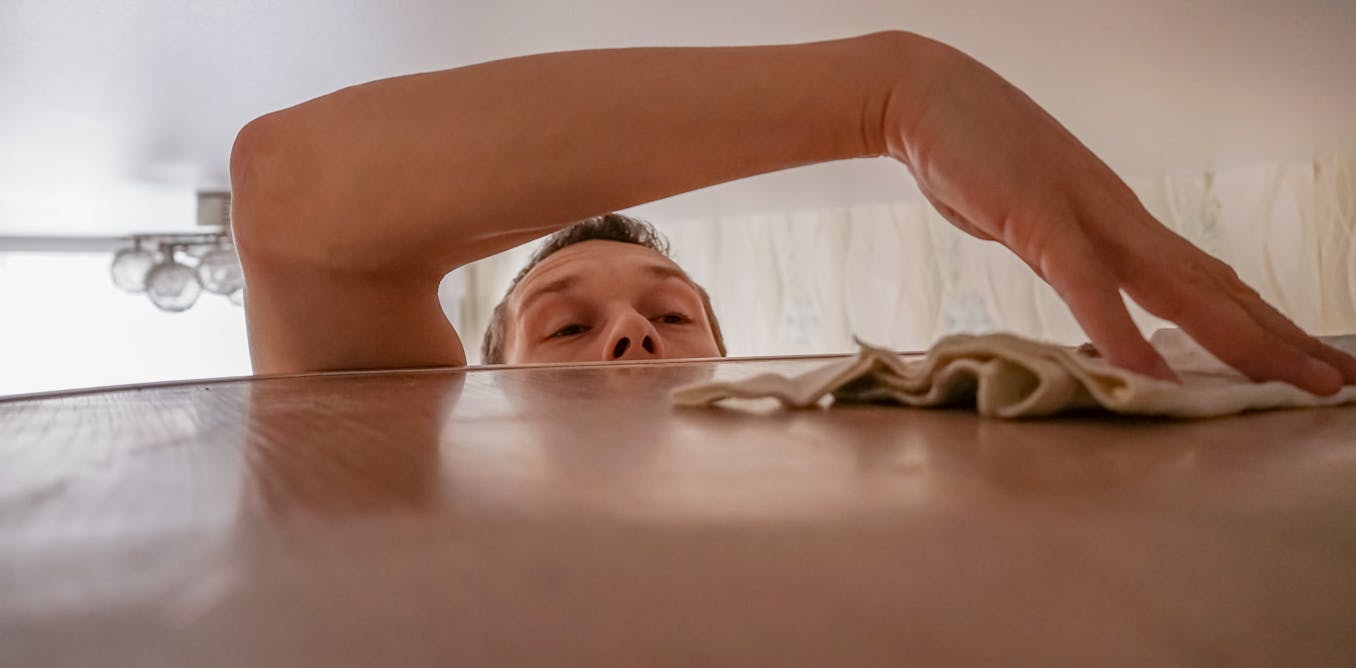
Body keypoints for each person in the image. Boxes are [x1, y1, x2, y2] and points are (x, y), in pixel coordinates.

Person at [229, 31, 1356, 394]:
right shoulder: (415, 506)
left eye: (672, 319)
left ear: (730, 362)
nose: (632, 333)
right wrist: (896, 94)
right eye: (567, 327)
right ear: (482, 378)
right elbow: (288, 194)